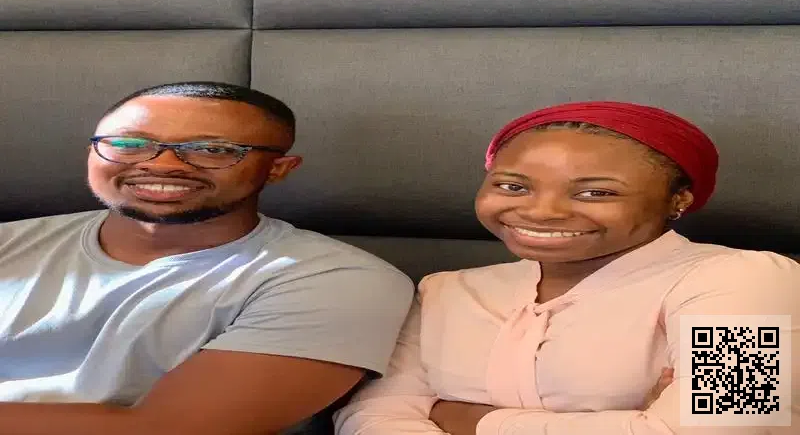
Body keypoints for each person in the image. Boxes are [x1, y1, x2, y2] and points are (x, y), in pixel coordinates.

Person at [334, 100, 799, 435]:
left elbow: (732, 428)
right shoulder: (447, 290)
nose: (542, 212)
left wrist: (471, 420)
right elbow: (369, 418)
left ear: (677, 200)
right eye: (513, 186)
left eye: (596, 192)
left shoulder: (747, 278)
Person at [0, 81, 414, 435]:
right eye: (128, 144)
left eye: (212, 149)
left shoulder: (337, 280)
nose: (161, 164)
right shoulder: (10, 243)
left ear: (278, 168)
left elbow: (167, 429)